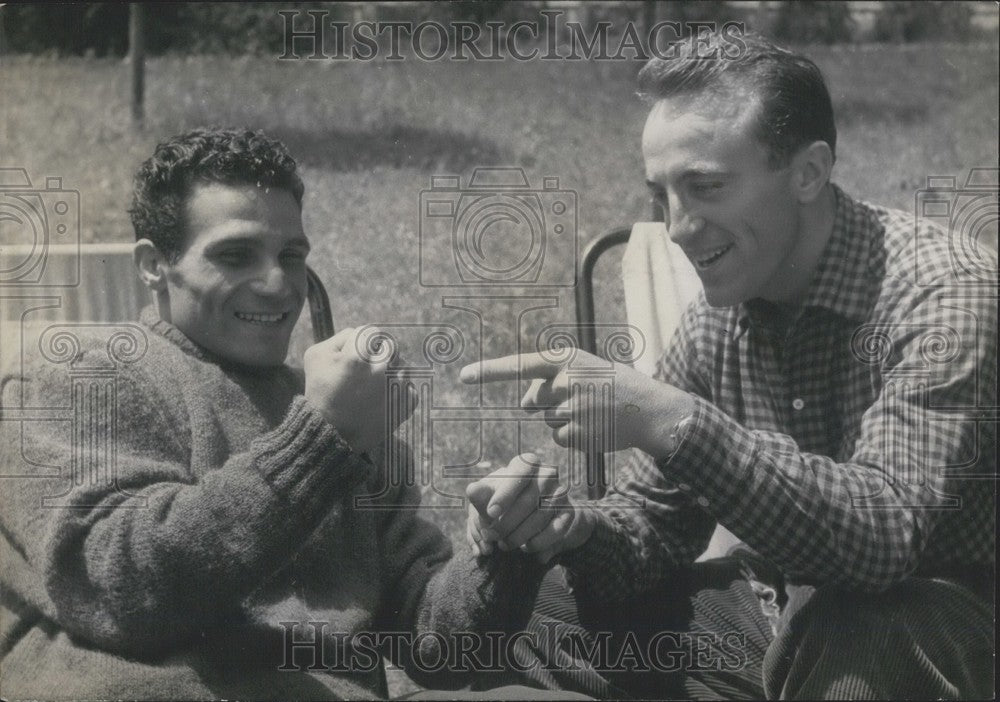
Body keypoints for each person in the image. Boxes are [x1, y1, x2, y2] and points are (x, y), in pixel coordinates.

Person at [462, 33, 996, 699]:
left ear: (808, 172)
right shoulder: (723, 310)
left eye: (705, 187)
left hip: (948, 620)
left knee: (859, 644)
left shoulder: (945, 291)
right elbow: (653, 530)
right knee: (521, 606)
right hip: (779, 610)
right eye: (662, 195)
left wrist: (674, 421)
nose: (678, 227)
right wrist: (570, 529)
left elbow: (883, 538)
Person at [0, 128, 554, 700]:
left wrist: (504, 550)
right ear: (153, 265)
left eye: (291, 256)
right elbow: (119, 592)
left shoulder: (330, 409)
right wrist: (322, 440)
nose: (277, 285)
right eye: (235, 255)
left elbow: (437, 648)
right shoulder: (76, 380)